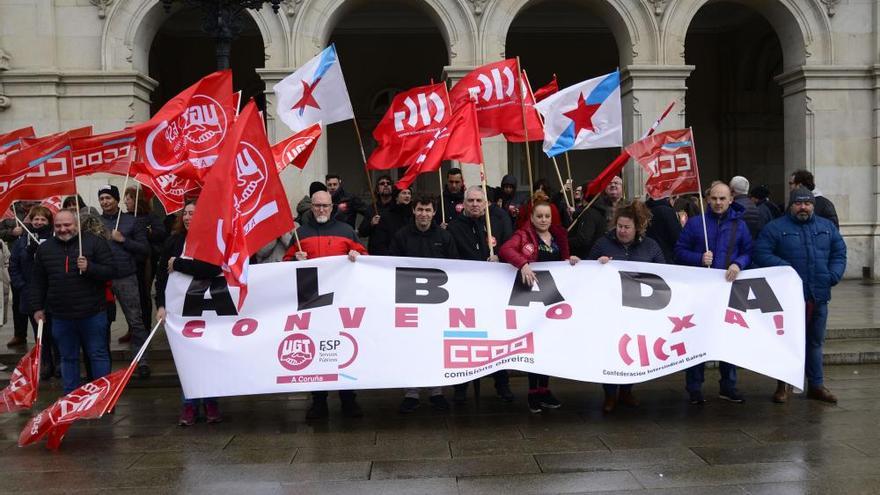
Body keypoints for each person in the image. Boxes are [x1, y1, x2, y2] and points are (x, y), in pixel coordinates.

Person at [753, 187, 846, 404]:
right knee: (787, 342)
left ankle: (816, 385)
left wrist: (833, 275)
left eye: (807, 203)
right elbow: (761, 253)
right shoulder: (775, 228)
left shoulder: (827, 227)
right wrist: (785, 268)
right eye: (798, 203)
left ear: (813, 205)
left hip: (818, 295)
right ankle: (783, 386)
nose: (803, 207)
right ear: (791, 205)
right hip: (788, 299)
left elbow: (839, 252)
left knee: (815, 342)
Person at [283, 190, 367, 420]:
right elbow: (284, 264)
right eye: (317, 205)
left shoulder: (347, 231)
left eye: (325, 206)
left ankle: (348, 399)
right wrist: (293, 260)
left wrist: (357, 256)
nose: (321, 209)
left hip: (341, 303)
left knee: (344, 350)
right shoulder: (300, 233)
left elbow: (365, 258)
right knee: (316, 352)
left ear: (332, 207)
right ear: (312, 207)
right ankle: (318, 401)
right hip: (312, 304)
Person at [499, 191, 580, 413]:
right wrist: (523, 264)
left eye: (547, 216)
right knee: (533, 346)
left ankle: (544, 389)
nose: (543, 220)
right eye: (539, 216)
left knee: (548, 344)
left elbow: (563, 260)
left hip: (551, 299)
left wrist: (570, 260)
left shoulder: (557, 236)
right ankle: (532, 392)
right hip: (530, 298)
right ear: (532, 218)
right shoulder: (524, 235)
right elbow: (505, 250)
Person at [674, 182, 752, 405]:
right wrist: (698, 258)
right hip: (700, 293)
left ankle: (728, 385)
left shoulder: (740, 225)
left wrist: (738, 263)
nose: (718, 202)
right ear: (708, 199)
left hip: (727, 292)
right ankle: (694, 387)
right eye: (714, 198)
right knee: (696, 338)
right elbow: (678, 251)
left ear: (730, 200)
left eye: (722, 199)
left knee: (728, 339)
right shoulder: (695, 223)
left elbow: (748, 251)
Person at [589, 200, 665, 413]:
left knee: (632, 351)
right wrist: (598, 264)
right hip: (610, 309)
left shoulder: (650, 246)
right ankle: (609, 394)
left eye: (627, 227)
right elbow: (586, 270)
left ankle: (626, 391)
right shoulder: (602, 244)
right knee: (611, 351)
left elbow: (664, 272)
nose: (622, 231)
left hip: (638, 310)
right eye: (619, 226)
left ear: (637, 228)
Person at [29, 210, 115, 393]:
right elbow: (38, 281)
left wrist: (90, 267)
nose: (63, 229)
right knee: (67, 358)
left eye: (67, 225)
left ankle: (103, 397)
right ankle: (70, 398)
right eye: (58, 226)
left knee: (98, 355)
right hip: (61, 315)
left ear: (76, 224)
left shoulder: (94, 243)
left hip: (92, 313)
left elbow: (111, 271)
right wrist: (37, 307)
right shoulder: (45, 249)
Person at [154, 201, 224, 425]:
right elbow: (161, 276)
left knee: (208, 358)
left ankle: (211, 402)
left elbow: (212, 269)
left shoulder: (211, 241)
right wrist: (161, 305)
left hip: (208, 308)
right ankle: (189, 405)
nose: (187, 217)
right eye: (185, 213)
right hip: (181, 309)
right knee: (186, 359)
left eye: (193, 213)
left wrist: (180, 264)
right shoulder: (173, 242)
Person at [388, 195, 458, 413]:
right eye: (420, 209)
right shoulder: (401, 236)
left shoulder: (444, 236)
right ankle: (411, 392)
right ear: (413, 210)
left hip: (438, 302)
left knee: (436, 345)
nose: (424, 214)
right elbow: (390, 264)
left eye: (428, 210)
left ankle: (436, 391)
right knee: (410, 346)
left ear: (434, 212)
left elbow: (456, 266)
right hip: (408, 301)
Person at [447, 186, 515, 403]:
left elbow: (509, 246)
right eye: (471, 201)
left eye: (479, 200)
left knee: (496, 338)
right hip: (465, 292)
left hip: (493, 291)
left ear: (486, 203)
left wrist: (500, 258)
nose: (475, 204)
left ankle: (502, 384)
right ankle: (461, 387)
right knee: (465, 339)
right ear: (464, 204)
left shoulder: (496, 222)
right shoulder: (454, 227)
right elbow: (451, 257)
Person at [96, 185, 152, 378]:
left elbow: (145, 249)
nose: (105, 202)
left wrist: (123, 240)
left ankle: (141, 361)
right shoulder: (96, 223)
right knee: (102, 323)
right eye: (102, 198)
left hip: (126, 277)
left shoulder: (131, 221)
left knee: (135, 321)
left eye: (108, 198)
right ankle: (102, 365)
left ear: (117, 199)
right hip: (102, 280)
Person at [9, 206, 58, 379]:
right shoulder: (22, 241)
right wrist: (22, 286)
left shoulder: (55, 239)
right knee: (40, 332)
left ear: (49, 221)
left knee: (55, 331)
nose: (39, 222)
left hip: (53, 294)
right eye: (36, 219)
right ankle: (46, 363)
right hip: (30, 294)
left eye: (43, 219)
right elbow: (14, 266)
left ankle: (59, 362)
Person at [121, 186, 167, 344]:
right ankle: (132, 328)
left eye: (129, 198)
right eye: (125, 198)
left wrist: (147, 232)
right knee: (130, 297)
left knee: (143, 294)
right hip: (129, 260)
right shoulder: (125, 217)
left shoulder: (150, 217)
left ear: (137, 200)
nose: (125, 201)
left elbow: (161, 233)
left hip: (146, 262)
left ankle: (145, 328)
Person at [1, 201, 32, 348]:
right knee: (18, 301)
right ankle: (19, 334)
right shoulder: (10, 211)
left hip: (37, 261)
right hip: (16, 262)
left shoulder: (44, 207)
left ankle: (45, 336)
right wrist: (12, 232)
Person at [568, 176, 622, 258]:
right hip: (600, 252)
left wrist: (564, 241)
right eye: (610, 183)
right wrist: (575, 214)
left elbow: (583, 239)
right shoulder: (599, 205)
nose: (613, 185)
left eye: (616, 183)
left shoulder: (628, 206)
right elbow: (585, 211)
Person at [368, 187, 413, 255]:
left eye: (409, 193)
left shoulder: (414, 216)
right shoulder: (386, 216)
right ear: (396, 197)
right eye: (404, 193)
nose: (407, 196)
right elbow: (380, 242)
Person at [644, 196, 682, 264]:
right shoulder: (667, 211)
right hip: (666, 256)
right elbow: (677, 236)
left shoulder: (645, 210)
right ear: (670, 199)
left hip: (647, 255)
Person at [358, 174, 395, 242]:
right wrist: (371, 224)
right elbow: (361, 232)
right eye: (382, 183)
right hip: (376, 247)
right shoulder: (371, 208)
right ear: (377, 190)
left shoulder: (397, 207)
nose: (386, 185)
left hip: (394, 247)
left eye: (388, 183)